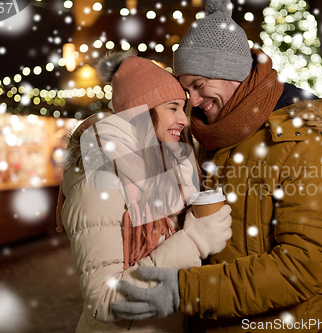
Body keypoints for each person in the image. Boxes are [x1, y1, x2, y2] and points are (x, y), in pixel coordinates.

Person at [112, 0, 322, 332]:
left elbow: (303, 266)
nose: (192, 100)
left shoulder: (301, 142)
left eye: (198, 84)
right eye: (185, 88)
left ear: (231, 73)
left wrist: (188, 291)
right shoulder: (211, 137)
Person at [55, 51, 233, 333]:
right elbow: (104, 300)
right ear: (141, 113)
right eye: (172, 108)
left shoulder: (170, 172)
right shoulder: (99, 181)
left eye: (182, 108)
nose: (184, 120)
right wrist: (195, 241)